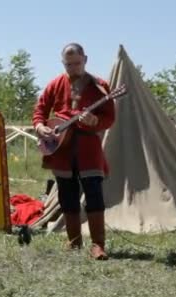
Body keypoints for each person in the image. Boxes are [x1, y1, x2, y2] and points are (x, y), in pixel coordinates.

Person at [32, 43, 116, 260]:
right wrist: (40, 126)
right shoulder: (55, 84)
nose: (73, 68)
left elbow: (109, 118)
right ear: (63, 63)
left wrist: (94, 120)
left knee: (94, 196)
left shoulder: (99, 85)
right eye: (68, 64)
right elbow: (40, 110)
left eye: (77, 63)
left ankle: (98, 245)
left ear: (85, 59)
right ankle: (74, 242)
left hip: (89, 148)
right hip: (61, 149)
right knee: (67, 196)